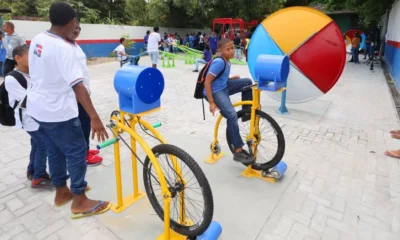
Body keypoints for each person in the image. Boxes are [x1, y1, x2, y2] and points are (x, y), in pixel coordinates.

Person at [27, 2, 110, 217]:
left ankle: (62, 192)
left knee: (55, 150)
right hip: (59, 111)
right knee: (76, 151)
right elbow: (78, 86)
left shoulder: (38, 39)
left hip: (39, 109)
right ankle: (79, 200)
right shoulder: (63, 48)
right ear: (72, 21)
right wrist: (95, 117)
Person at [5, 45, 52, 188]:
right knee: (44, 145)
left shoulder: (33, 73)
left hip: (39, 116)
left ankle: (32, 169)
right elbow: (25, 101)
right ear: (18, 59)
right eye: (30, 56)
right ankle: (39, 176)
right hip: (29, 119)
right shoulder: (12, 79)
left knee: (37, 144)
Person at [203, 38, 255, 164]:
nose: (231, 51)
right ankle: (237, 151)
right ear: (220, 51)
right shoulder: (219, 62)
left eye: (232, 48)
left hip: (224, 86)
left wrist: (231, 78)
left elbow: (219, 78)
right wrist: (211, 103)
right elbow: (207, 82)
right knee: (231, 115)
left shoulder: (227, 61)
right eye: (228, 49)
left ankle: (246, 113)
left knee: (247, 82)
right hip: (215, 92)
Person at [65, 20, 103, 166]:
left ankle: (85, 150)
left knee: (84, 124)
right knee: (83, 125)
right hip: (75, 96)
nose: (76, 30)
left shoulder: (75, 45)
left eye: (79, 28)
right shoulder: (64, 47)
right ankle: (83, 155)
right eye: (73, 27)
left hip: (82, 93)